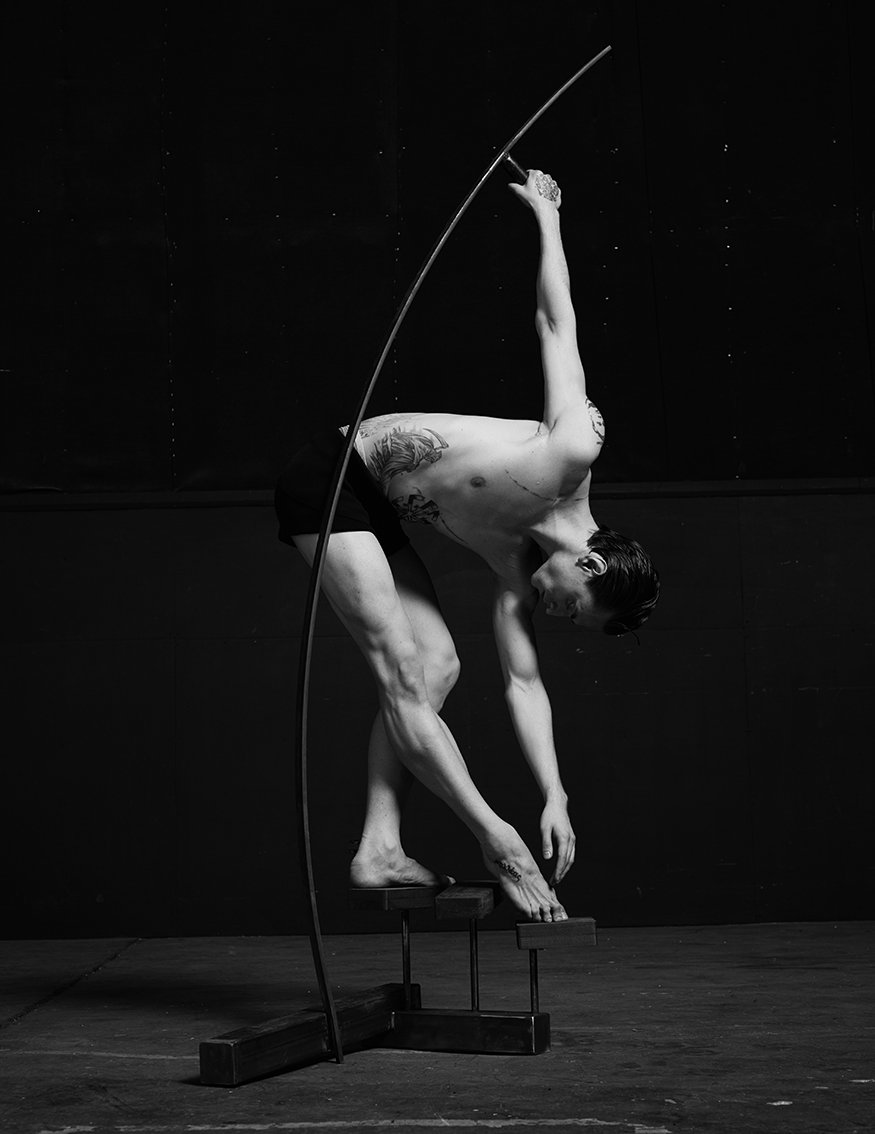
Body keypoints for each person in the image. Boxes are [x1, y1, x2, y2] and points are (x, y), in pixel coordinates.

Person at [275, 169, 659, 922]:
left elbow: (525, 686)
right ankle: (494, 839)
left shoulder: (521, 574)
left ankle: (379, 848)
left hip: (376, 509)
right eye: (571, 608)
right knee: (402, 673)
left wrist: (554, 793)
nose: (553, 614)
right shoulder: (570, 453)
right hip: (332, 476)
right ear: (588, 564)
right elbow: (556, 326)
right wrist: (547, 217)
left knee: (439, 666)